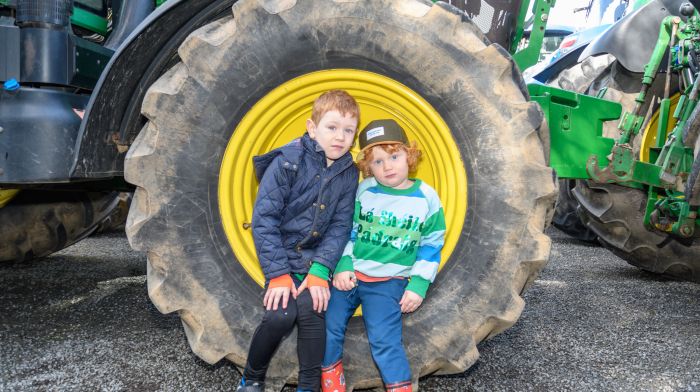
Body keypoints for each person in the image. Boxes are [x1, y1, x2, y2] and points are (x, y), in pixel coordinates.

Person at [237, 90, 360, 392]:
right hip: (280, 257)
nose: (339, 137)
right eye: (332, 127)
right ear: (311, 127)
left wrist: (321, 270)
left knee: (313, 311)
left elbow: (340, 226)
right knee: (280, 316)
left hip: (314, 260)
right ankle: (251, 378)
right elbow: (264, 220)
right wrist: (278, 275)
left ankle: (309, 386)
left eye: (348, 130)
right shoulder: (287, 162)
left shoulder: (348, 173)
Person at [321, 119, 445, 392]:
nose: (387, 166)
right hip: (351, 275)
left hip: (388, 282)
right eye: (377, 162)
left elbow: (431, 244)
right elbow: (348, 231)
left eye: (394, 156)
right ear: (367, 167)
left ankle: (399, 387)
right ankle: (331, 380)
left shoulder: (426, 198)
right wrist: (343, 264)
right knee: (328, 326)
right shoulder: (364, 190)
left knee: (384, 340)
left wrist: (418, 285)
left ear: (409, 156)